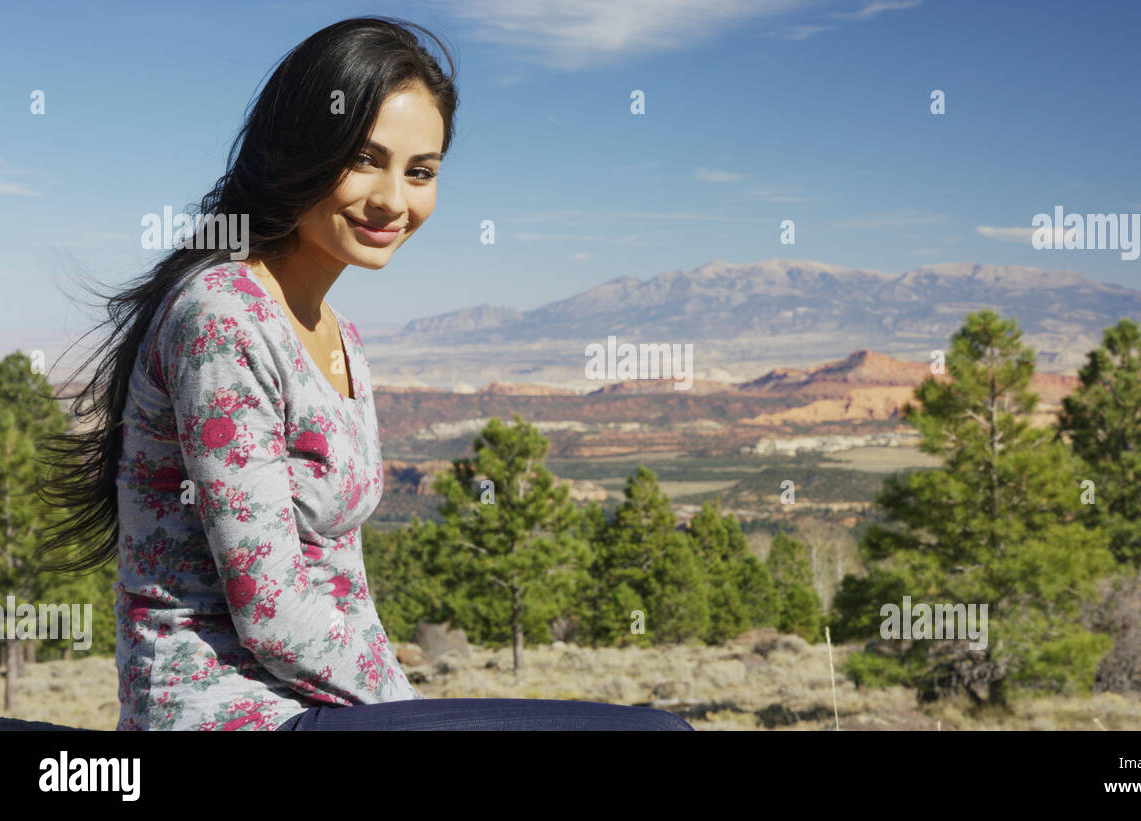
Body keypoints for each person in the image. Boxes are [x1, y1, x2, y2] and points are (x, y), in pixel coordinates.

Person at [37, 16, 692, 732]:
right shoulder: (223, 315)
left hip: (321, 706)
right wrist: (417, 715)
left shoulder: (339, 334)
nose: (392, 200)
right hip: (226, 713)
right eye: (364, 159)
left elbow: (341, 586)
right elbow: (274, 611)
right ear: (299, 151)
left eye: (421, 172)